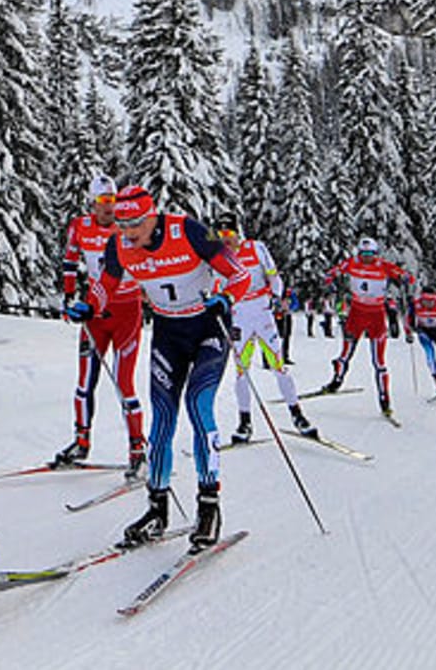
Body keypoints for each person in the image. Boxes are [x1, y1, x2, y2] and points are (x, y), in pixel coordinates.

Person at [76, 184, 252, 552]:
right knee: (163, 419)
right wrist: (89, 307)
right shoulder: (120, 246)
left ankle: (208, 507)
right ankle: (157, 509)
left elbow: (239, 274)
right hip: (168, 334)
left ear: (152, 215)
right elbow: (104, 288)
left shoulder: (189, 230)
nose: (126, 233)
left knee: (199, 407)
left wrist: (226, 297)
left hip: (207, 329)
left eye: (134, 225)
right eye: (121, 226)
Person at [54, 174, 149, 473]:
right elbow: (70, 261)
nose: (109, 208)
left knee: (124, 384)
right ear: (93, 203)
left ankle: (138, 449)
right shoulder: (80, 226)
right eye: (104, 202)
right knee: (84, 383)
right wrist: (69, 298)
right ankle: (81, 442)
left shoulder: (127, 228)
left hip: (126, 311)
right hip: (95, 313)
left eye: (113, 201)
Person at [212, 221, 318, 443]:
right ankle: (244, 422)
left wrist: (277, 298)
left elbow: (273, 276)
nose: (226, 239)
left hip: (262, 313)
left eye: (229, 233)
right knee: (241, 371)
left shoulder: (256, 248)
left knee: (279, 366)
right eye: (221, 234)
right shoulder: (219, 257)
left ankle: (297, 415)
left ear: (238, 233)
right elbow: (216, 287)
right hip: (239, 317)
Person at [322, 236, 411, 418]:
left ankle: (384, 400)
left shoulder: (383, 265)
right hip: (356, 313)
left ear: (376, 253)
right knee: (345, 353)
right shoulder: (352, 263)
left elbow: (405, 276)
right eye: (363, 254)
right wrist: (330, 277)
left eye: (370, 254)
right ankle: (336, 381)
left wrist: (404, 278)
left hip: (376, 315)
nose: (366, 258)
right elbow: (334, 271)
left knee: (379, 362)